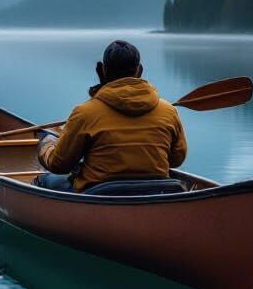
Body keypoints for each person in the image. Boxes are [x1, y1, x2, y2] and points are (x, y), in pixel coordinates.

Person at [35, 40, 187, 192]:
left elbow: (59, 165)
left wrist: (46, 144)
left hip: (100, 194)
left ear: (102, 70)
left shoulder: (85, 113)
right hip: (157, 193)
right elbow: (176, 159)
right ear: (139, 71)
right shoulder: (168, 111)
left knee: (44, 181)